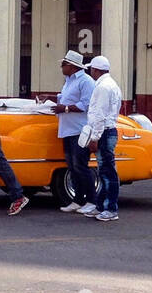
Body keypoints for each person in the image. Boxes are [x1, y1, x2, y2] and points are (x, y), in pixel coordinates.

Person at [51, 49, 97, 214]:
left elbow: (86, 105)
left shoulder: (86, 81)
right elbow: (65, 98)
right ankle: (78, 200)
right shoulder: (69, 80)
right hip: (67, 130)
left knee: (81, 166)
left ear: (72, 66)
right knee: (72, 166)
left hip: (80, 130)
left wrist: (65, 108)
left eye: (64, 64)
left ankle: (92, 200)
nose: (61, 67)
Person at [83, 55, 123, 222]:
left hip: (104, 133)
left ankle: (110, 208)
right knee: (106, 171)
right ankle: (101, 205)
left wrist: (95, 137)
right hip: (108, 131)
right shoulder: (111, 85)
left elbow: (99, 115)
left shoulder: (102, 88)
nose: (91, 71)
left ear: (96, 70)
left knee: (107, 173)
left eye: (92, 69)